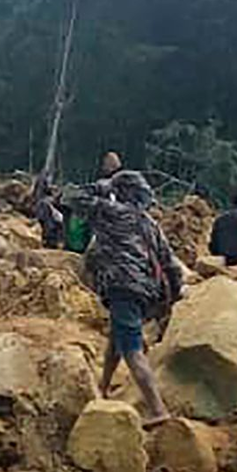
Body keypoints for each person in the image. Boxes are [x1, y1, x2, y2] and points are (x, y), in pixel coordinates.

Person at [80, 170, 183, 426]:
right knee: (117, 338)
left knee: (132, 351)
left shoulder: (111, 212)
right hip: (146, 291)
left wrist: (100, 187)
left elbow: (70, 197)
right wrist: (174, 297)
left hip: (122, 287)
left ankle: (158, 409)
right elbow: (171, 264)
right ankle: (103, 388)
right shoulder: (149, 223)